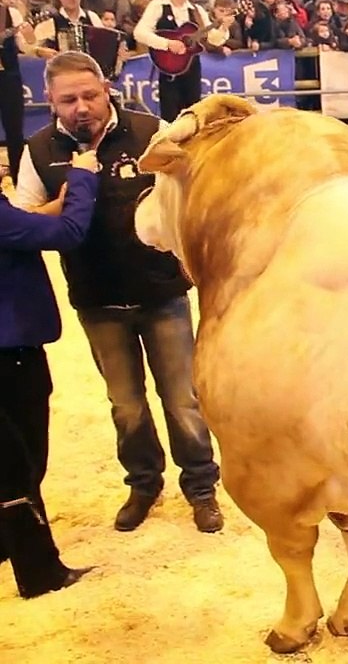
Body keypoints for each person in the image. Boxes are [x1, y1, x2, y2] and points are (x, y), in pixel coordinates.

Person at [12, 52, 223, 534]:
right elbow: (24, 221)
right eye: (69, 99)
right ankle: (144, 484)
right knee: (125, 404)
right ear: (51, 100)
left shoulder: (152, 129)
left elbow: (194, 189)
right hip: (96, 298)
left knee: (183, 399)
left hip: (161, 291)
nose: (82, 107)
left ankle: (201, 487)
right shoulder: (38, 149)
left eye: (90, 94)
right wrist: (63, 205)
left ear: (107, 87)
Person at [0, 137, 99, 598]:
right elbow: (69, 235)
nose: (2, 160)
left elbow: (17, 224)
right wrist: (82, 176)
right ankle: (40, 572)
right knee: (21, 465)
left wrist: (46, 208)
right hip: (11, 354)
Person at [133, 0, 211, 122]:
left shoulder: (197, 10)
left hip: (192, 68)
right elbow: (140, 32)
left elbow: (213, 39)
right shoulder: (158, 6)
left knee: (193, 114)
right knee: (170, 117)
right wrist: (167, 44)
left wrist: (223, 28)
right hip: (169, 69)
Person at [1, 0, 36, 172]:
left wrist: (31, 36)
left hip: (8, 78)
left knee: (14, 130)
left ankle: (19, 177)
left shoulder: (10, 14)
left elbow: (26, 45)